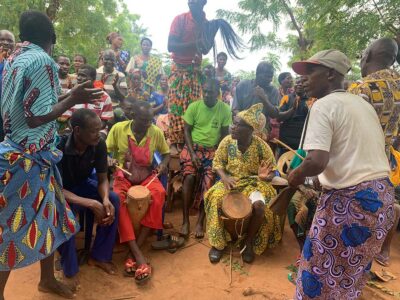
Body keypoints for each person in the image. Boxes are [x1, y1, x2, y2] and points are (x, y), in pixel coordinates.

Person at [0, 10, 103, 299]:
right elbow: (35, 118)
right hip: (26, 161)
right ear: (53, 38)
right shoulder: (43, 61)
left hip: (33, 158)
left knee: (49, 218)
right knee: (11, 227)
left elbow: (30, 105)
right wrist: (74, 98)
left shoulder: (13, 59)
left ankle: (47, 279)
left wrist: (70, 93)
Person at [289, 49, 395, 299]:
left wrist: (296, 175)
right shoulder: (362, 104)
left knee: (316, 277)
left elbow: (316, 161)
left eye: (310, 72)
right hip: (382, 200)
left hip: (350, 205)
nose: (304, 79)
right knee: (348, 280)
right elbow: (353, 156)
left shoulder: (323, 105)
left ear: (330, 74)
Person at [204, 103, 282, 264]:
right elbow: (217, 163)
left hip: (253, 183)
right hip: (231, 181)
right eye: (233, 123)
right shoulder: (227, 141)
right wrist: (224, 177)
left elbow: (272, 170)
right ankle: (218, 244)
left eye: (237, 125)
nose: (232, 127)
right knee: (215, 198)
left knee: (260, 206)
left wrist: (265, 177)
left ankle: (249, 243)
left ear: (250, 129)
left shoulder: (262, 146)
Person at [349, 37, 400, 267]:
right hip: (385, 165)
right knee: (373, 222)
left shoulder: (362, 88)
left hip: (357, 167)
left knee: (349, 225)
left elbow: (348, 134)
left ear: (367, 56)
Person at [167, 0, 243, 155]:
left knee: (193, 107)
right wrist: (195, 43)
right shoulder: (180, 19)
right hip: (179, 69)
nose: (191, 2)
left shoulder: (206, 24)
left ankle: (192, 142)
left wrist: (212, 33)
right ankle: (175, 142)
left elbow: (205, 49)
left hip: (195, 71)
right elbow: (170, 46)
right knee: (176, 106)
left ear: (203, 2)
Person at [106, 101, 170, 284]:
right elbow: (105, 151)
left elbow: (165, 154)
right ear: (132, 116)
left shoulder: (155, 132)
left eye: (149, 120)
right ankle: (138, 255)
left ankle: (134, 250)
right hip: (122, 176)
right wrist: (110, 160)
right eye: (143, 120)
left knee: (159, 195)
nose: (147, 124)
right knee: (118, 199)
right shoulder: (119, 129)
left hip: (146, 177)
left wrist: (163, 165)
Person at [57, 109, 119, 283]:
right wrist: (91, 203)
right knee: (63, 214)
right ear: (77, 130)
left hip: (84, 186)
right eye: (93, 131)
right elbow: (56, 188)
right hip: (63, 192)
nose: (97, 135)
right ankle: (69, 269)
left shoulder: (98, 144)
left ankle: (100, 256)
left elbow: (102, 179)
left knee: (113, 200)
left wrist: (104, 199)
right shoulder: (59, 147)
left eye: (99, 129)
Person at [180, 79, 231, 238]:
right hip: (192, 147)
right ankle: (185, 220)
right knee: (188, 178)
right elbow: (186, 131)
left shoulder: (224, 109)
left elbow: (224, 136)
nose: (207, 95)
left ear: (218, 94)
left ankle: (200, 221)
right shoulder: (194, 106)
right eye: (205, 91)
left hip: (212, 150)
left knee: (208, 183)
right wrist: (193, 154)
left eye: (211, 92)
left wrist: (219, 155)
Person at [61, 64, 113, 137]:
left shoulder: (104, 96)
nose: (79, 78)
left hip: (97, 130)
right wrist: (78, 132)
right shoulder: (70, 94)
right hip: (74, 129)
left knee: (100, 139)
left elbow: (104, 122)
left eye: (83, 75)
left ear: (93, 78)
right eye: (78, 75)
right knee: (65, 139)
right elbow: (69, 119)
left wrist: (89, 132)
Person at [278, 78, 315, 153]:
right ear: (294, 86)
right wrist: (292, 109)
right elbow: (279, 118)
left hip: (303, 142)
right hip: (286, 141)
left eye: (303, 82)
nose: (300, 84)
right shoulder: (286, 98)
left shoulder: (312, 99)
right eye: (297, 82)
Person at [0, 30, 15, 142]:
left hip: (10, 115)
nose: (5, 42)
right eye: (2, 39)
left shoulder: (19, 61)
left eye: (9, 40)